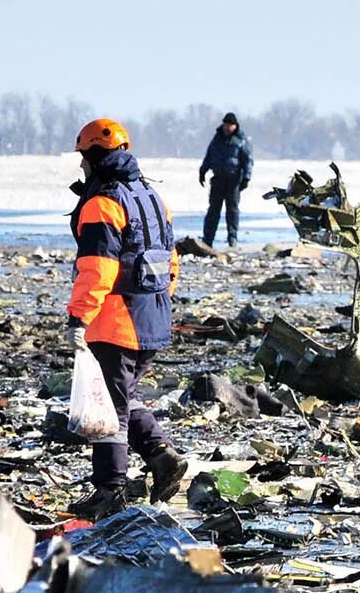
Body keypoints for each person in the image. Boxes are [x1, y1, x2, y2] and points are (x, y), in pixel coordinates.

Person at [65, 118, 186, 518]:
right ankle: (161, 456)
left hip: (115, 323)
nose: (81, 167)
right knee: (125, 396)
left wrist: (78, 319)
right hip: (152, 319)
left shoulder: (102, 203)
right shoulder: (151, 197)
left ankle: (110, 491)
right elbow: (171, 263)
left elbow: (97, 268)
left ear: (95, 157)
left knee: (108, 413)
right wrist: (157, 305)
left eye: (83, 158)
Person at [198, 112, 254, 248]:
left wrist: (246, 177)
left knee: (232, 211)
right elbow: (209, 156)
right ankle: (208, 239)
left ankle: (232, 239)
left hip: (233, 181)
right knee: (213, 211)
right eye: (226, 125)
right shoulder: (217, 139)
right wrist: (202, 171)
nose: (227, 128)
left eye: (230, 125)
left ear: (235, 126)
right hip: (218, 180)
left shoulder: (241, 140)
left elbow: (248, 160)